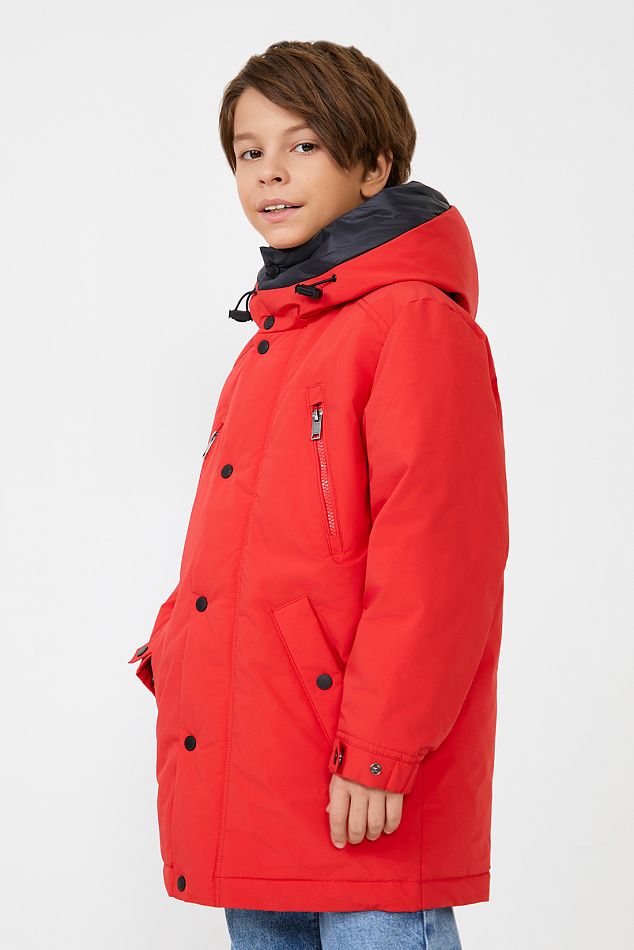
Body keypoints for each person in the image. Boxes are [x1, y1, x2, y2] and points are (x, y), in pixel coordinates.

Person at [128, 40, 509, 950]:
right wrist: (179, 650)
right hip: (259, 765)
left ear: (373, 165)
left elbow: (439, 567)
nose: (269, 172)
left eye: (302, 145)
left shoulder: (415, 322)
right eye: (248, 151)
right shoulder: (275, 340)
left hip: (364, 788)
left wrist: (383, 751)